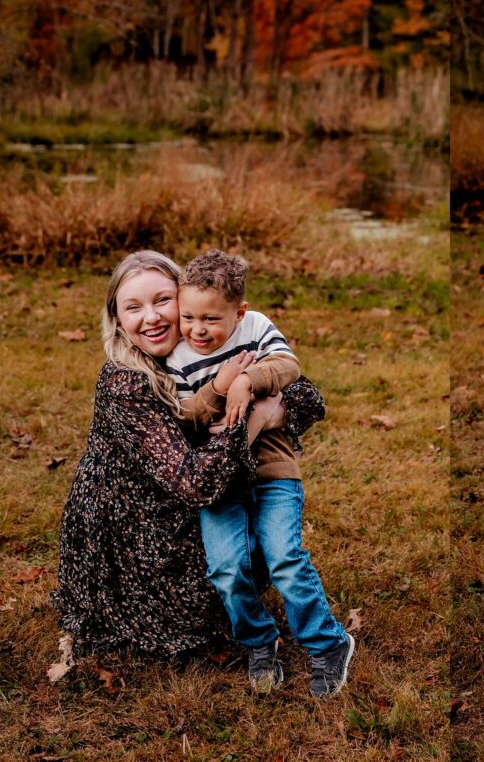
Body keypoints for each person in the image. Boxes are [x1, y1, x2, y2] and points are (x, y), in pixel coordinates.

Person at [51, 250, 283, 657]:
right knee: (209, 590)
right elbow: (196, 484)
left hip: (190, 497)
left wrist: (253, 383)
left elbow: (306, 396)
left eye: (162, 300)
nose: (153, 318)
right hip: (135, 526)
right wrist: (256, 417)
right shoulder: (125, 382)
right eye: (133, 307)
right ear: (118, 319)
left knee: (250, 524)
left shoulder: (209, 343)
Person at [165, 250, 353, 698]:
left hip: (272, 467)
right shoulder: (178, 356)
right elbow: (186, 418)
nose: (197, 329)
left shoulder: (255, 327)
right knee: (227, 568)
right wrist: (218, 386)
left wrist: (250, 381)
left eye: (211, 318)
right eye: (188, 316)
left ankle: (327, 644)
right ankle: (259, 641)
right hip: (219, 478)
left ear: (239, 311)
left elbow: (289, 365)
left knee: (285, 556)